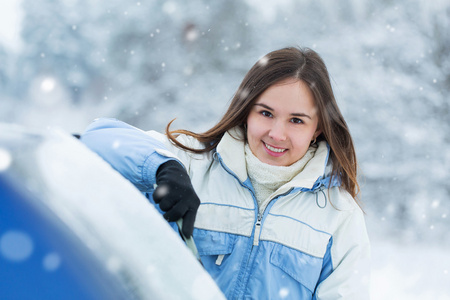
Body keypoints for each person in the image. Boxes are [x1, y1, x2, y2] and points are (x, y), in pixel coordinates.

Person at [81, 47, 370, 299]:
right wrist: (162, 168)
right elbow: (97, 137)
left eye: (296, 120)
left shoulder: (338, 216)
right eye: (266, 113)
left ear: (317, 128)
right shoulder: (193, 163)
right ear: (247, 111)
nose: (277, 134)